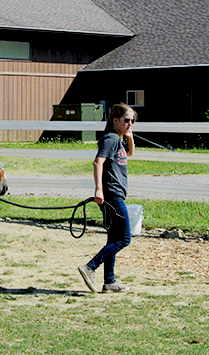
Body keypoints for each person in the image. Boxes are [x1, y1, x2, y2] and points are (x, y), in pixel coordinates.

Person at [78, 103, 136, 293]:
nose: (130, 124)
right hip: (112, 194)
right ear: (115, 120)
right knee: (125, 238)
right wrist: (98, 190)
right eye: (127, 120)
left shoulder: (118, 140)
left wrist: (130, 138)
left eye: (132, 121)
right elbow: (98, 162)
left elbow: (129, 153)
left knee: (113, 237)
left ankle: (109, 282)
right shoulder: (110, 139)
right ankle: (90, 266)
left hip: (115, 193)